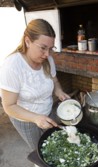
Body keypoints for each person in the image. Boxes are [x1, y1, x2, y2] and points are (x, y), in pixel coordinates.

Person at [0, 19, 70, 150]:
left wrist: (59, 91)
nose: (47, 54)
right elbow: (9, 106)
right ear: (27, 41)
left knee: (53, 144)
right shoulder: (12, 67)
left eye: (50, 49)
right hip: (26, 121)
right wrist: (36, 118)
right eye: (43, 48)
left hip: (47, 112)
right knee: (39, 150)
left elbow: (54, 81)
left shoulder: (47, 59)